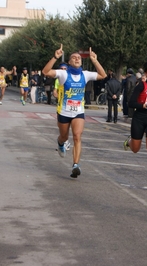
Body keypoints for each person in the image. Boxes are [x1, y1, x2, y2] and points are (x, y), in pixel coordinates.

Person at [42, 45, 106, 178]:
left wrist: (94, 60)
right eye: (73, 58)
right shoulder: (63, 73)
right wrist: (55, 57)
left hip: (78, 112)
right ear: (69, 62)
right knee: (64, 137)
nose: (77, 59)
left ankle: (75, 165)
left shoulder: (85, 74)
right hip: (64, 111)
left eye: (79, 57)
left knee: (77, 136)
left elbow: (102, 75)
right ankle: (60, 143)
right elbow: (45, 72)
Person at [123, 61, 147, 189]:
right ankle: (129, 142)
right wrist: (144, 105)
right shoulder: (141, 86)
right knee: (135, 149)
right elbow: (131, 103)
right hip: (139, 118)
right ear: (145, 73)